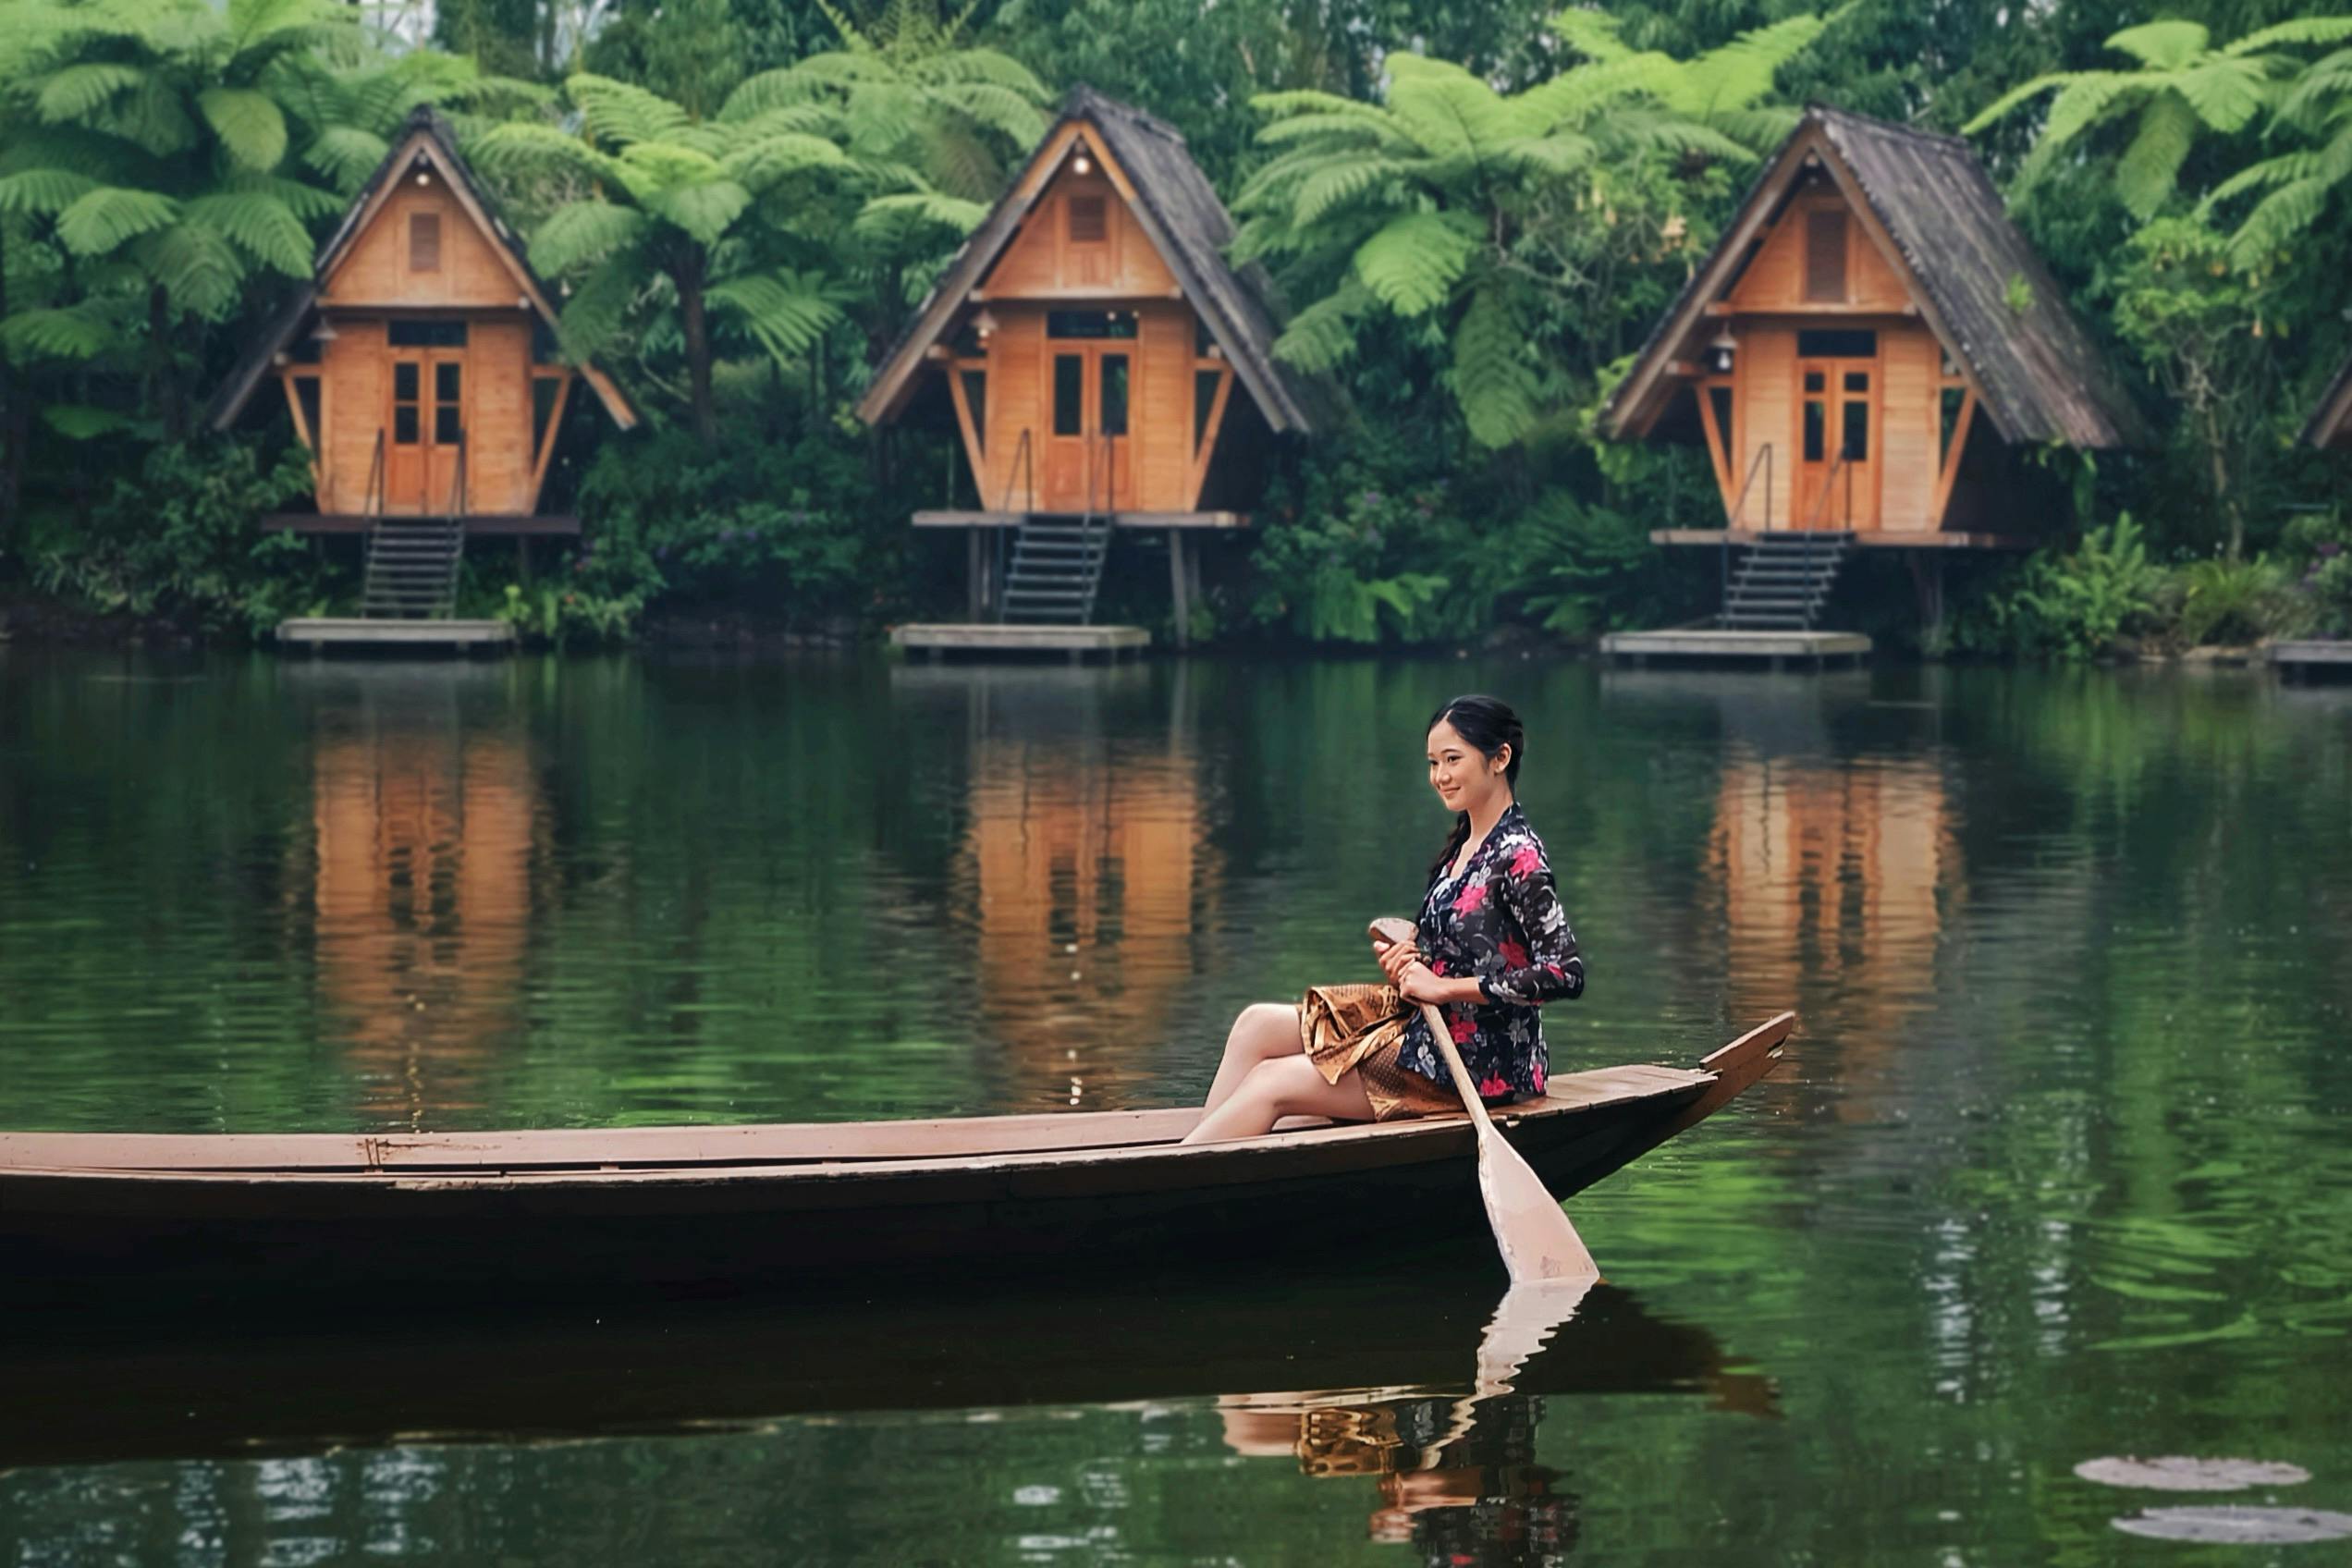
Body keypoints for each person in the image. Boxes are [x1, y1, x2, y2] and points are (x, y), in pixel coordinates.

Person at [1181, 694, 1584, 1145]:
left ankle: (1179, 1177)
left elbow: (1562, 974)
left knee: (1272, 1081)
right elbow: (1462, 953)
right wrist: (1411, 963)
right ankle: (1197, 1151)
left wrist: (1444, 987)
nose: (1440, 777)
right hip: (1426, 1025)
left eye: (1453, 760)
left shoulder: (1519, 856)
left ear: (1499, 758)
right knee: (1255, 1024)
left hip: (1478, 1063)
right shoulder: (1464, 845)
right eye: (1433, 763)